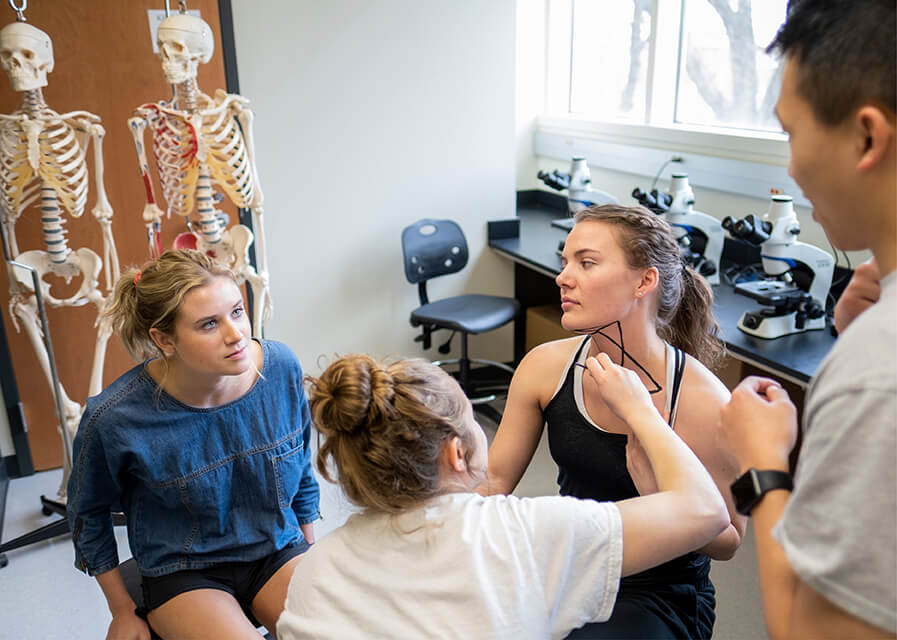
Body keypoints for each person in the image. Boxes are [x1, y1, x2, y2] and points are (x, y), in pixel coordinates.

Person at [277, 354, 728, 639]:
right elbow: (707, 511)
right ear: (458, 453)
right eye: (473, 418)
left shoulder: (316, 568)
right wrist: (641, 413)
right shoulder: (525, 533)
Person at [480, 203, 745, 638]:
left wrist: (658, 495)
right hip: (570, 566)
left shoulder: (704, 399)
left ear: (644, 281)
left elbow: (729, 540)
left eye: (586, 263)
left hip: (656, 592)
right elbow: (493, 480)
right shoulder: (545, 368)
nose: (563, 277)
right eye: (565, 262)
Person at [719, 1, 896, 639]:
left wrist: (763, 463)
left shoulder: (876, 373)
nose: (790, 167)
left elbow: (808, 632)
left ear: (867, 137)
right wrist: (855, 340)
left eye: (791, 134)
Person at [66, 249, 320, 640]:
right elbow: (88, 515)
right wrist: (122, 610)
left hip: (275, 548)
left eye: (237, 311)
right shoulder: (115, 417)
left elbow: (301, 466)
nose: (236, 334)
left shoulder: (281, 367)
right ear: (164, 339)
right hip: (184, 570)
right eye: (208, 324)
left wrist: (310, 557)